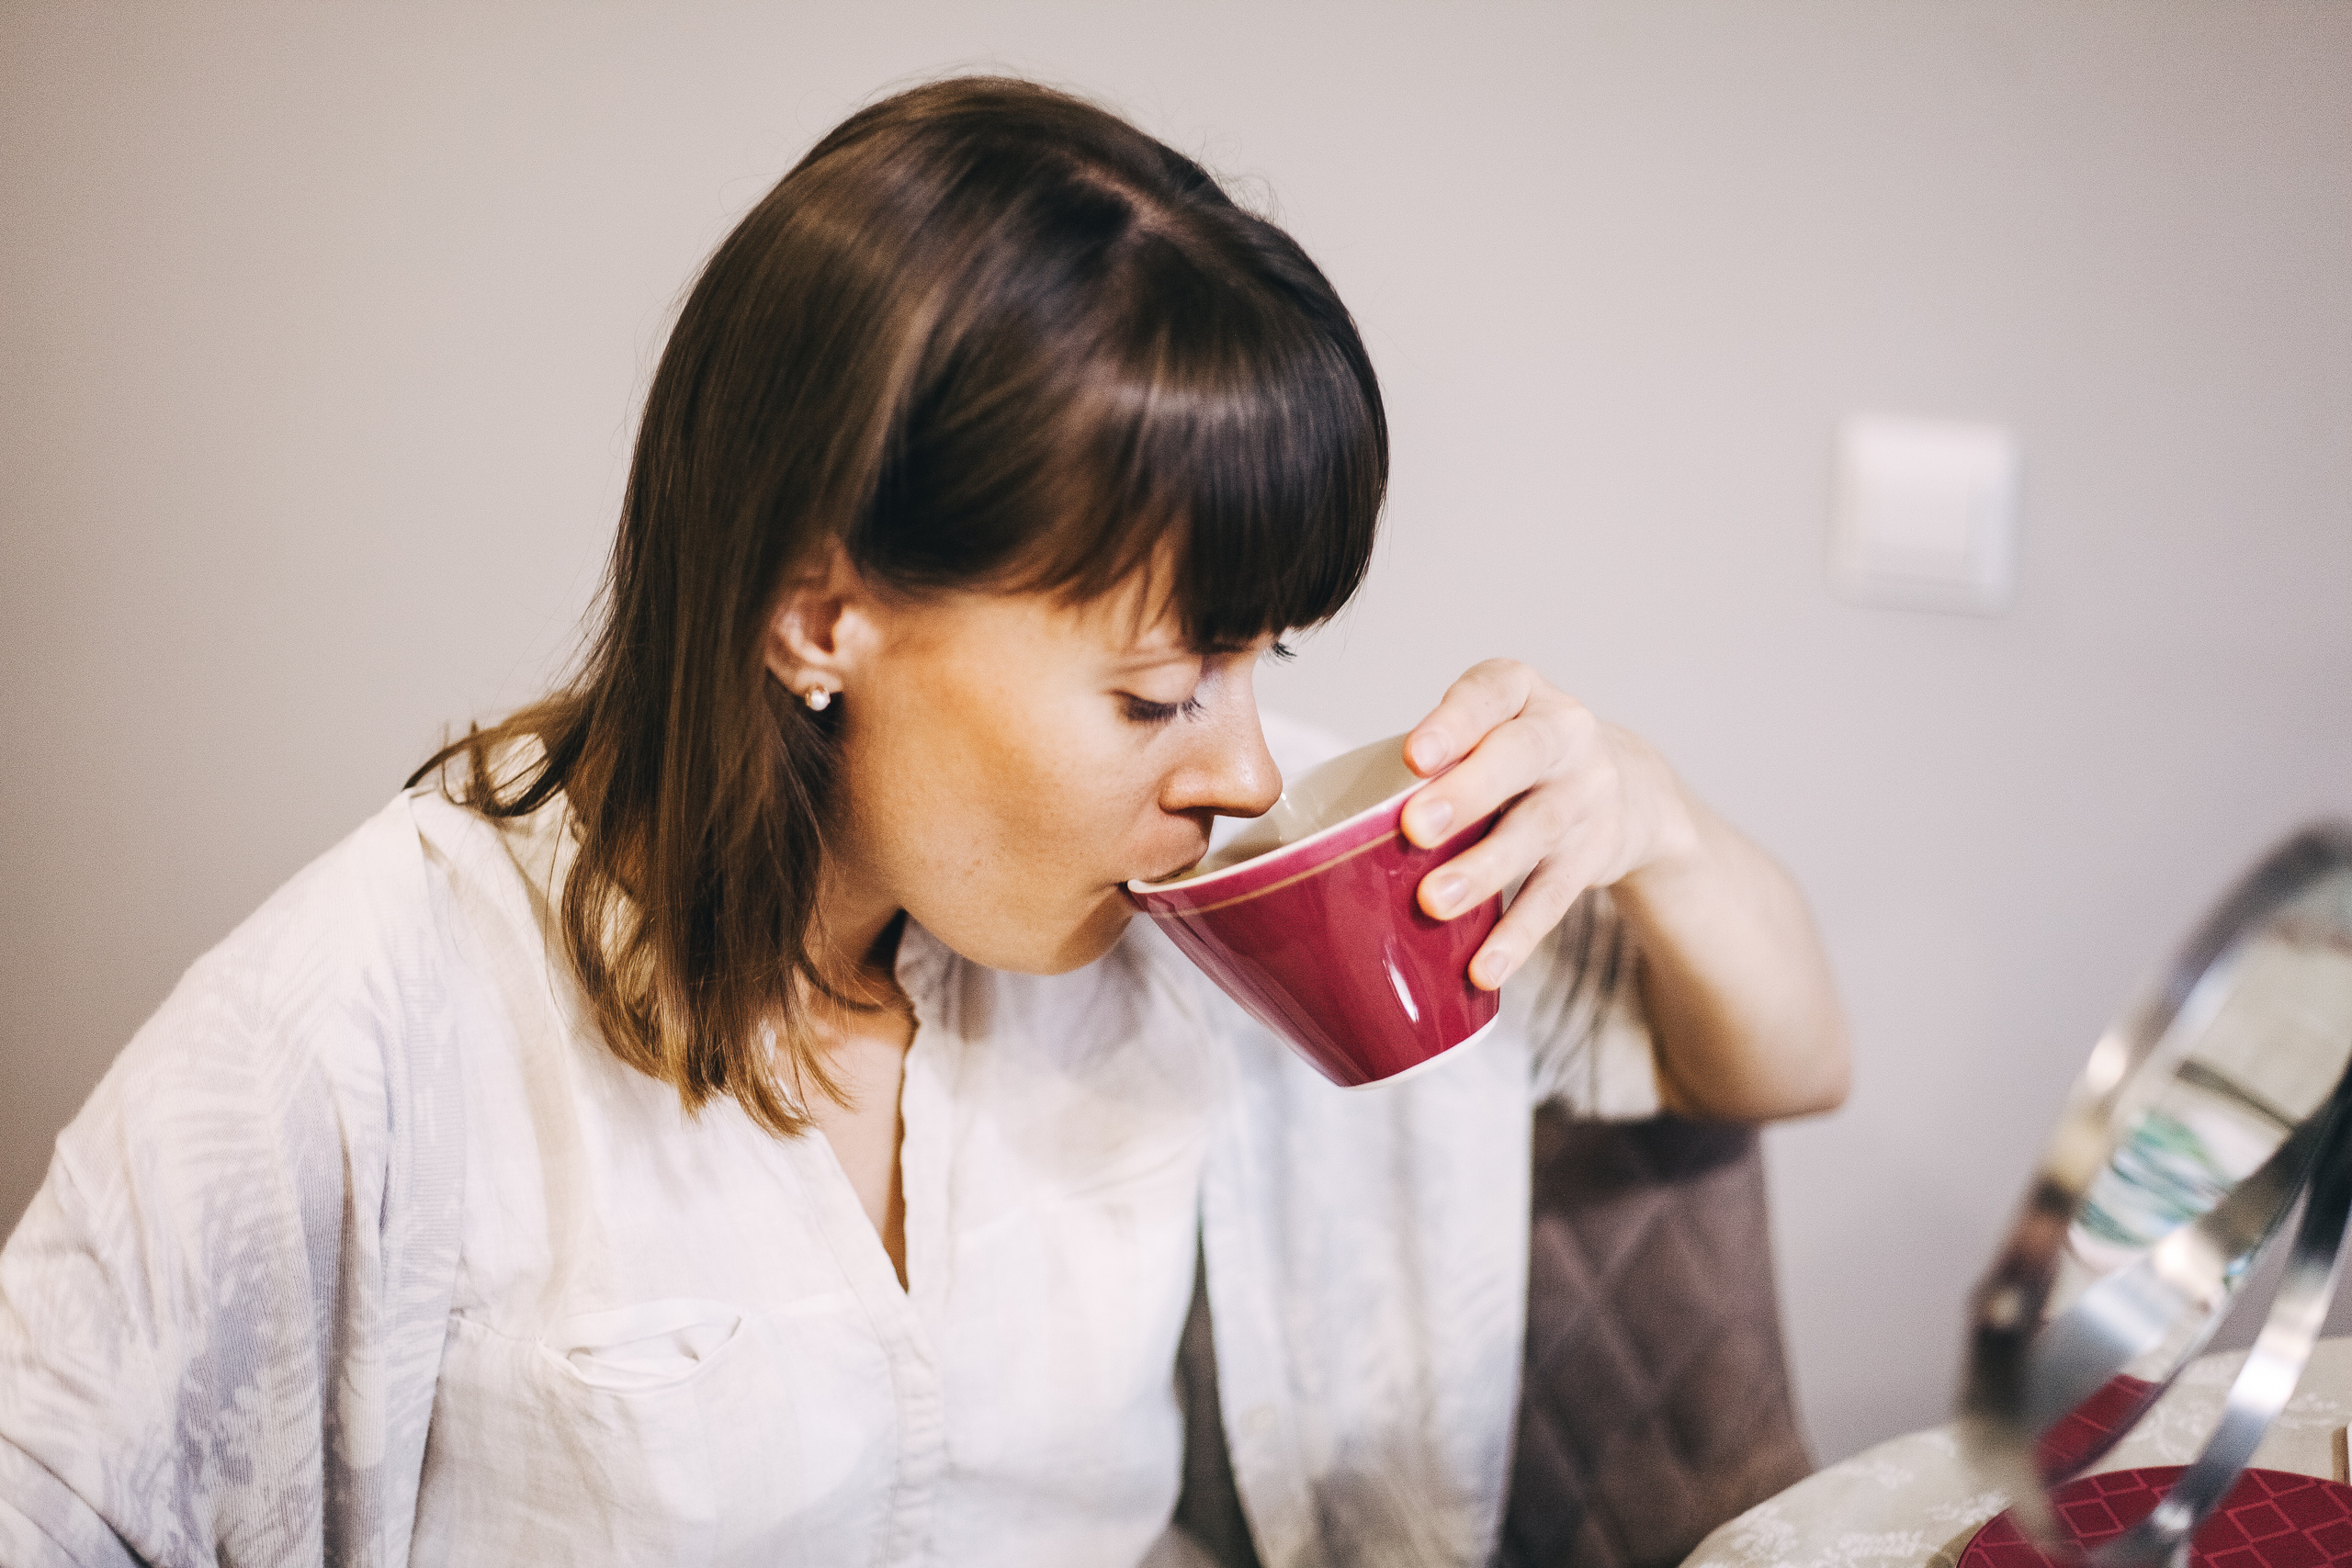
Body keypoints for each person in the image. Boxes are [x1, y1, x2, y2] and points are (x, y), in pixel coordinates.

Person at [0, 76, 1848, 1568]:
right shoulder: (373, 1010)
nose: (1246, 772)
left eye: (1253, 664)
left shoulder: (1179, 903)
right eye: (1153, 690)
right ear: (822, 615)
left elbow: (1781, 1057)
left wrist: (1649, 822)